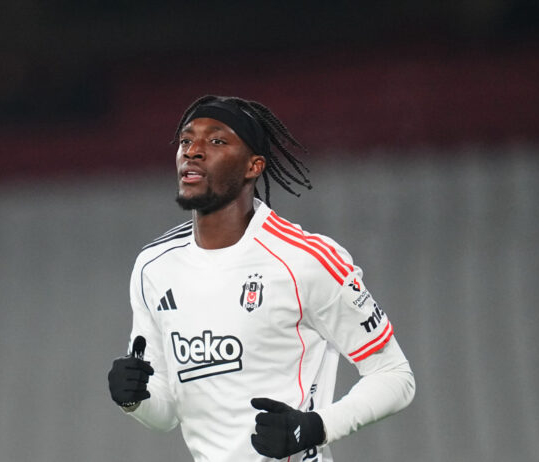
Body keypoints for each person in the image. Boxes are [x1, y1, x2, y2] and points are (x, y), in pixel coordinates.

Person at [108, 95, 415, 461]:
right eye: (186, 140)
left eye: (216, 140)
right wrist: (134, 398)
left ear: (253, 166)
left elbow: (395, 375)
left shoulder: (306, 260)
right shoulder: (154, 267)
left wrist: (315, 426)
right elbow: (168, 413)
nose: (193, 151)